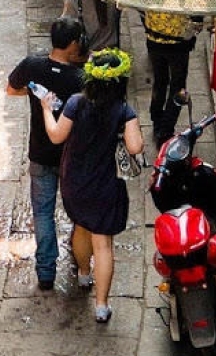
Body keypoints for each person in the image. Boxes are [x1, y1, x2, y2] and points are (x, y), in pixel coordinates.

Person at [39, 47, 143, 323]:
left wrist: (46, 109)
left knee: (81, 227)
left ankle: (84, 274)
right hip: (105, 183)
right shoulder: (124, 111)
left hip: (75, 181)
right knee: (103, 243)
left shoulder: (76, 103)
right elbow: (135, 147)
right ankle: (101, 305)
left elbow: (56, 136)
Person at [6, 17, 87, 290]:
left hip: (40, 153)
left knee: (42, 213)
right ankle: (81, 259)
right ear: (73, 43)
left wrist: (35, 96)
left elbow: (11, 89)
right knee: (78, 212)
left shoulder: (32, 66)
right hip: (71, 157)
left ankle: (45, 271)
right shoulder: (79, 79)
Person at [142, 13, 204, 147]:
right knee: (177, 87)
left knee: (159, 81)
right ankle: (166, 130)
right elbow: (197, 19)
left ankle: (157, 120)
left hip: (154, 39)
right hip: (178, 45)